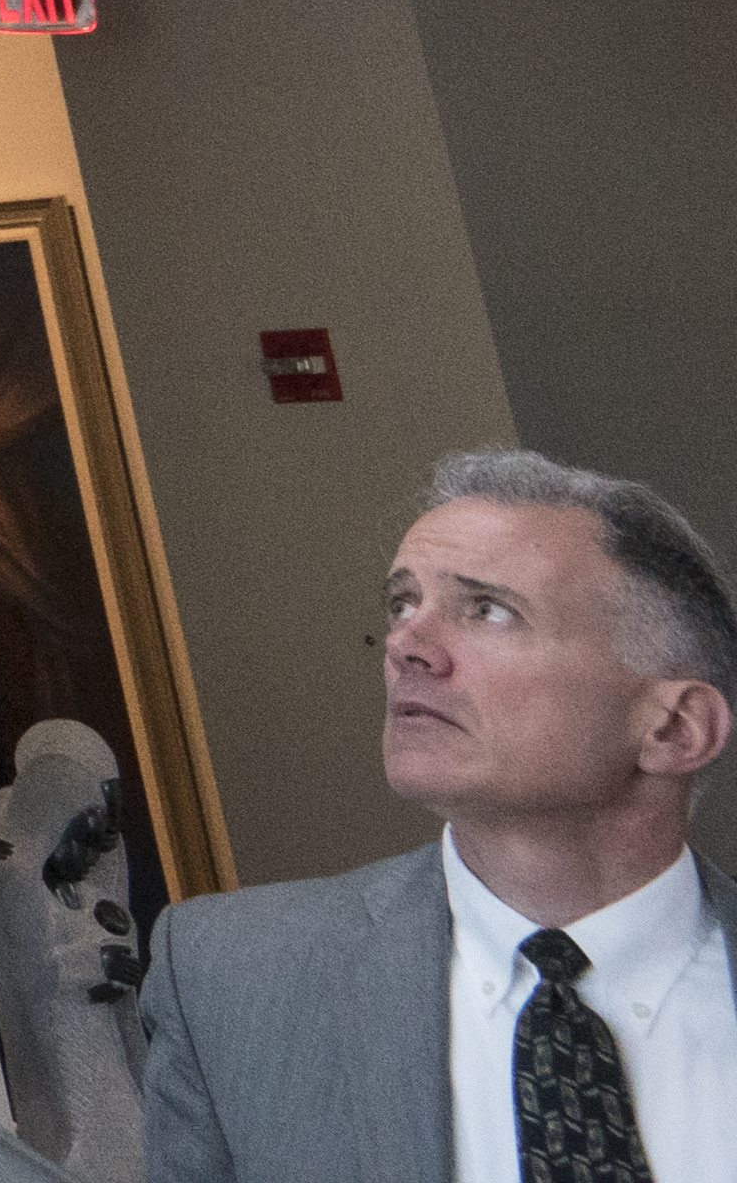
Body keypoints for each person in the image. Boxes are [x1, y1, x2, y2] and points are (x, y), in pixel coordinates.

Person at [145, 452, 737, 1183]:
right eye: (402, 605)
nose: (405, 646)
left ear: (675, 728)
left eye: (489, 610)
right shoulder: (231, 978)